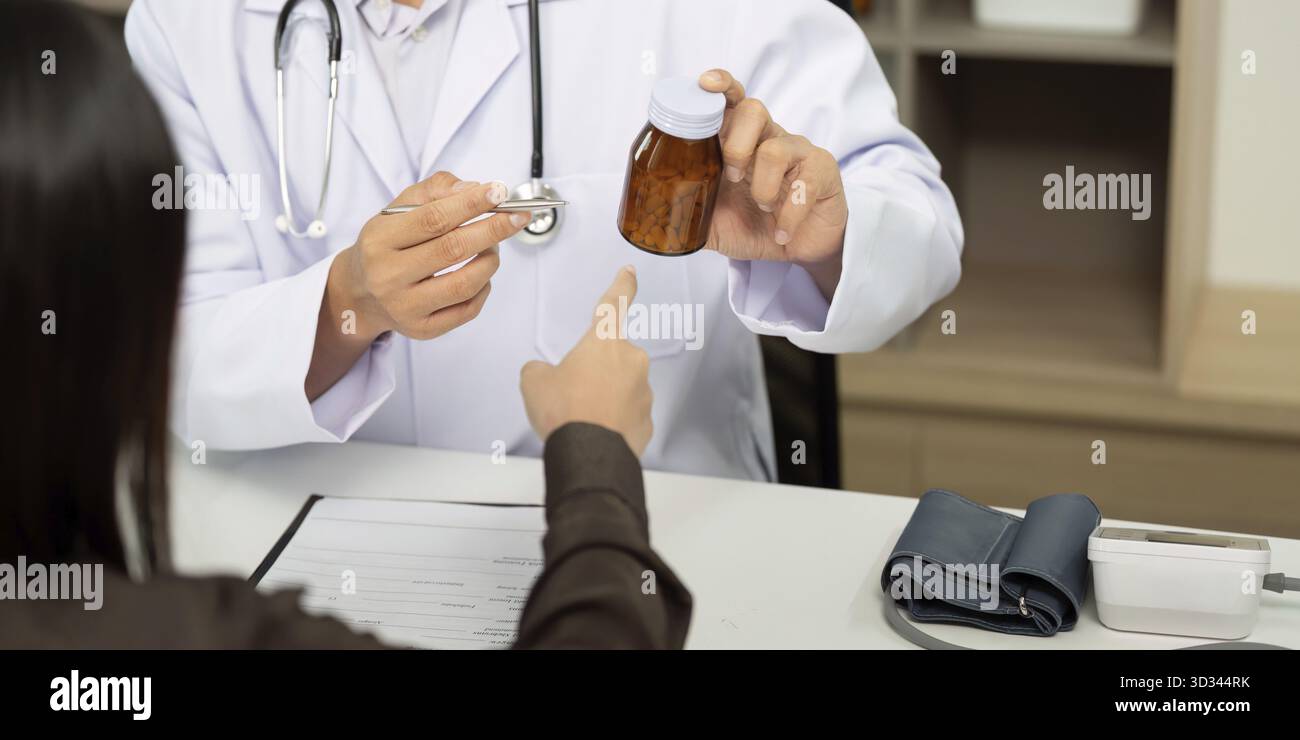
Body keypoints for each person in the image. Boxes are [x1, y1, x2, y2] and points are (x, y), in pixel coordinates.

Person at [0, 0, 689, 650]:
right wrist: (595, 464)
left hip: (689, 522)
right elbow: (185, 353)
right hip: (558, 551)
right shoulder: (212, 634)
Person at [123, 0, 964, 481]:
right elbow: (158, 357)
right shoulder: (187, 22)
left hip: (652, 543)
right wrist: (344, 306)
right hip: (313, 551)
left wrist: (820, 231)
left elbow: (917, 218)